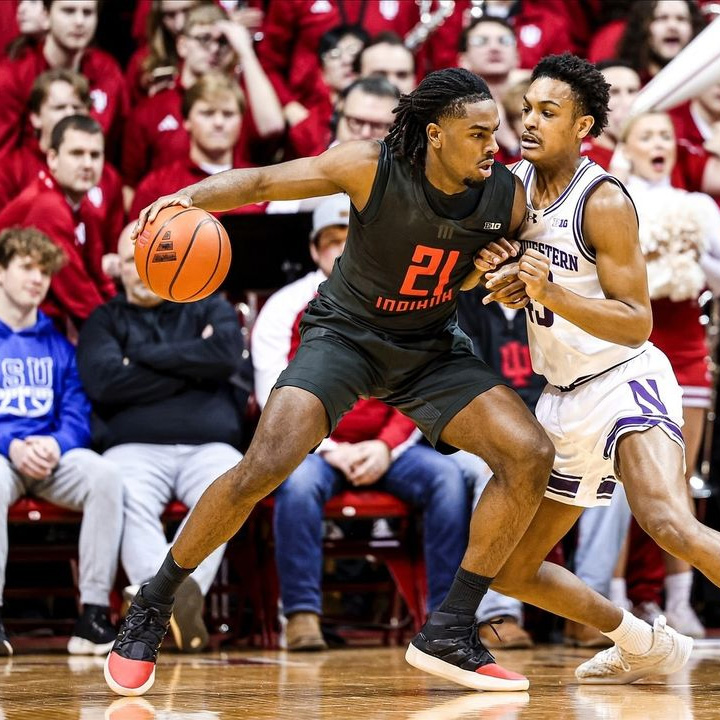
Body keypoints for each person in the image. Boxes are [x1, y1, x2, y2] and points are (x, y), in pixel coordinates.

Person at [105, 66, 557, 697]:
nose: (493, 145)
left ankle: (451, 628)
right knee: (263, 464)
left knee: (530, 453)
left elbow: (521, 264)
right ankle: (153, 603)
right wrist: (189, 200)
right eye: (478, 133)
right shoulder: (368, 165)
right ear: (434, 135)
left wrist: (507, 262)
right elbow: (263, 181)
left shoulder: (507, 195)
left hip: (428, 347)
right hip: (345, 336)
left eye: (494, 133)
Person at [477, 52, 715, 684]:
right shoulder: (513, 186)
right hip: (562, 395)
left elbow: (636, 319)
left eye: (548, 113)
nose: (529, 122)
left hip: (623, 377)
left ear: (583, 126)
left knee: (667, 520)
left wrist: (549, 293)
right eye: (525, 108)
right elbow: (517, 268)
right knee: (515, 568)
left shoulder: (604, 199)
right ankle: (641, 641)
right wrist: (506, 278)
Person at [252, 195, 471, 650]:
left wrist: (387, 446)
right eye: (331, 242)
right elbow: (272, 393)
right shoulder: (285, 305)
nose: (340, 249)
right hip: (313, 448)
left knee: (448, 480)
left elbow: (422, 384)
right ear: (314, 250)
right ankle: (302, 615)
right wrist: (331, 449)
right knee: (296, 485)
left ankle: (446, 619)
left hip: (387, 449)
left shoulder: (402, 299)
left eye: (350, 239)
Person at [76, 222, 246, 653]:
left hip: (210, 446)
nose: (143, 268)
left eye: (154, 257)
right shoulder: (103, 320)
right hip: (132, 448)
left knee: (233, 485)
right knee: (119, 487)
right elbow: (105, 384)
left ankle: (155, 604)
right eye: (133, 260)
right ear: (117, 268)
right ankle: (175, 602)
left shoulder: (209, 305)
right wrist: (193, 367)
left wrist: (140, 360)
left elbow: (225, 356)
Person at [0, 226, 123, 657]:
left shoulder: (60, 345)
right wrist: (11, 444)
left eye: (45, 272)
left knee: (106, 476)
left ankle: (92, 616)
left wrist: (58, 444)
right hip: (4, 456)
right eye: (26, 268)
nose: (37, 279)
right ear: (1, 271)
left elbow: (76, 412)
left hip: (50, 456)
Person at [0, 68, 124, 269]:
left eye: (76, 107)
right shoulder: (11, 170)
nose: (69, 115)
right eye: (59, 107)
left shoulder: (105, 178)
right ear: (35, 117)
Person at [0, 114, 115, 329]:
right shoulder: (48, 206)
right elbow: (77, 294)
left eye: (95, 155)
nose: (87, 164)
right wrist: (115, 329)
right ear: (52, 158)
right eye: (77, 153)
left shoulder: (82, 206)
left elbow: (97, 276)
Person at [0, 0, 128, 160]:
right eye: (68, 11)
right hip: (28, 180)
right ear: (46, 16)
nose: (79, 22)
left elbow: (121, 143)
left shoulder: (107, 70)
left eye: (87, 13)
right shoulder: (14, 74)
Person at [129, 72, 266, 220]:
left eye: (228, 114)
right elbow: (136, 240)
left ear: (241, 120)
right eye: (207, 113)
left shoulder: (263, 182)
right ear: (186, 121)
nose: (219, 123)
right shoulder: (156, 186)